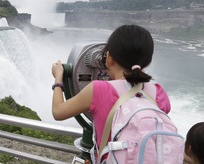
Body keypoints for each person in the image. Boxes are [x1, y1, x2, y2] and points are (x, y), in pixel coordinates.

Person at [51, 25, 171, 162]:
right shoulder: (157, 91)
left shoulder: (99, 90)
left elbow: (58, 112)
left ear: (109, 58)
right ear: (147, 61)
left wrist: (59, 77)